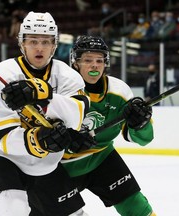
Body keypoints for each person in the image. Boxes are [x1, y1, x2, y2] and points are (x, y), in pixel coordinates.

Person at [0, 11, 95, 216]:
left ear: (54, 45)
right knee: (14, 208)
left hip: (43, 163)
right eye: (33, 41)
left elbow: (77, 115)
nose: (39, 47)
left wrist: (42, 94)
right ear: (22, 43)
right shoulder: (1, 75)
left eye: (46, 42)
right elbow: (4, 138)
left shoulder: (67, 77)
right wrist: (39, 140)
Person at [61, 35, 156, 216]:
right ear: (75, 63)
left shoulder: (119, 91)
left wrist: (140, 123)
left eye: (99, 60)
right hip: (62, 166)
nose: (94, 65)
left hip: (102, 158)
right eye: (88, 60)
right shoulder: (61, 89)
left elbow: (144, 139)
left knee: (136, 206)